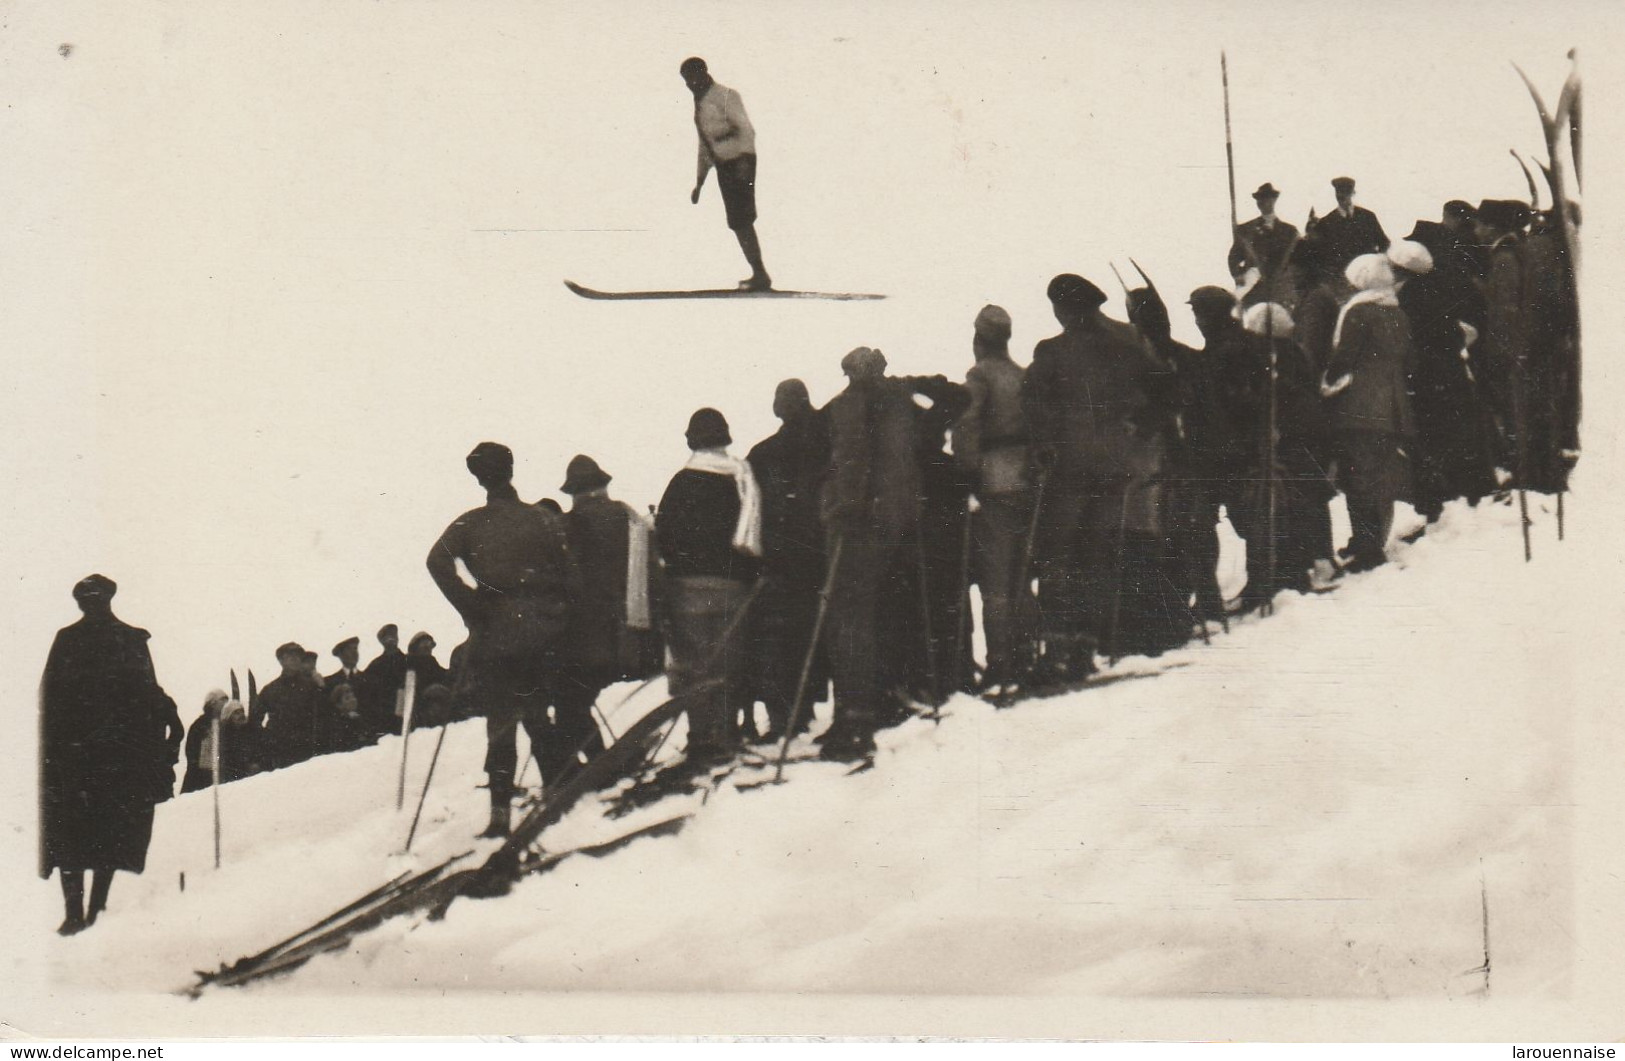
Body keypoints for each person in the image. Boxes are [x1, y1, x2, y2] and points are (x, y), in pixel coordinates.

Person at [427, 442, 578, 838]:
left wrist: (471, 606)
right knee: (538, 715)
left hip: (495, 633)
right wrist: (554, 610)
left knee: (501, 723)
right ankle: (558, 792)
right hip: (544, 632)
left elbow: (436, 561)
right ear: (512, 469)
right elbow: (571, 573)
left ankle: (500, 816)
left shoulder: (470, 524)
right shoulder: (544, 520)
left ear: (477, 477)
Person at [1021, 274, 1168, 679]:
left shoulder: (1050, 352)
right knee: (1097, 555)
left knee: (1058, 557)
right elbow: (1169, 389)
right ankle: (1086, 647)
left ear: (1063, 310)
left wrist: (1042, 445)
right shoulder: (1122, 350)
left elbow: (1031, 404)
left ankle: (1057, 650)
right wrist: (1140, 426)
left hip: (1067, 470)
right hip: (1114, 467)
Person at [39, 574, 184, 935]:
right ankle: (76, 912)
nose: (91, 605)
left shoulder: (130, 639)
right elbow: (50, 698)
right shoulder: (69, 640)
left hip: (114, 757)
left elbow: (148, 689)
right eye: (86, 600)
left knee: (106, 831)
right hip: (80, 756)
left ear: (106, 600)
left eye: (96, 598)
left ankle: (94, 910)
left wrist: (169, 712)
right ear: (81, 604)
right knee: (74, 832)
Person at [819, 347, 922, 760]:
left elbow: (851, 459)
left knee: (849, 619)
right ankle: (886, 699)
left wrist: (844, 506)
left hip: (860, 525)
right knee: (888, 612)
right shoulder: (901, 404)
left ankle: (855, 717)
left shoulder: (849, 405)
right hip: (901, 521)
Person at [656, 408, 763, 763]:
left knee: (694, 669)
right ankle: (727, 733)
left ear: (692, 441)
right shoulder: (742, 478)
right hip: (734, 588)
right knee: (728, 665)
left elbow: (663, 538)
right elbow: (753, 539)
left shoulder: (679, 483)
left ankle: (701, 738)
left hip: (687, 591)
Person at [1226, 301, 1335, 603]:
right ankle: (1316, 557)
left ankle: (1289, 567)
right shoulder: (1296, 352)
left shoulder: (1269, 356)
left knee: (1287, 500)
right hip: (1306, 434)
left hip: (1287, 436)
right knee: (1307, 497)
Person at [953, 305, 1036, 697]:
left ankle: (1002, 664)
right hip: (1026, 482)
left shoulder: (979, 375)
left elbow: (967, 427)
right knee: (1022, 576)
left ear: (979, 339)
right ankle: (1026, 655)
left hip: (994, 485)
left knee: (996, 582)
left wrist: (965, 475)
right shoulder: (1021, 375)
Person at [745, 381, 832, 739]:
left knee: (781, 641)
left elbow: (751, 512)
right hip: (823, 556)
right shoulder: (828, 442)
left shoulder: (764, 454)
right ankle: (806, 707)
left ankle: (788, 717)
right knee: (818, 633)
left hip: (782, 561)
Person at [1321, 253, 1418, 572]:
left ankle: (1367, 549)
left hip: (1360, 406)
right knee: (1378, 478)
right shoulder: (1398, 312)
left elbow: (1343, 357)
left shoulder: (1358, 311)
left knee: (1357, 478)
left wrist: (1326, 384)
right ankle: (1370, 541)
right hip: (1393, 406)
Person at [557, 454, 656, 764]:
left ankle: (594, 764)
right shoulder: (629, 517)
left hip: (586, 635)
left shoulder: (566, 525)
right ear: (603, 485)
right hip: (635, 630)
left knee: (569, 700)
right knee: (577, 699)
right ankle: (604, 760)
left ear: (573, 492)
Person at [681, 57, 771, 291]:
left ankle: (760, 275)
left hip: (740, 163)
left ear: (702, 74)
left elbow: (746, 131)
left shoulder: (726, 96)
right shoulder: (700, 104)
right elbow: (705, 145)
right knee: (737, 221)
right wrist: (699, 182)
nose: (689, 84)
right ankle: (759, 273)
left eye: (691, 78)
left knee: (742, 219)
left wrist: (743, 164)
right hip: (724, 166)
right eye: (686, 81)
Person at [1229, 182, 1302, 309]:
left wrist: (1289, 280)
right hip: (1255, 290)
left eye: (1266, 198)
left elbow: (1298, 260)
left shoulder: (1290, 231)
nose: (1262, 202)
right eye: (1259, 199)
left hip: (1281, 291)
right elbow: (1233, 257)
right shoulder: (1246, 230)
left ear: (1274, 200)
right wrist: (1239, 276)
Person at [254, 641, 326, 769]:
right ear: (281, 660)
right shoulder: (270, 690)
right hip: (281, 753)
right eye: (290, 656)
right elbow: (255, 721)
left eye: (298, 656)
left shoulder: (312, 686)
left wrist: (322, 688)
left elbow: (324, 713)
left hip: (308, 750)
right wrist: (269, 739)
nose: (295, 659)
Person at [1311, 177, 1390, 284]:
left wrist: (1377, 264)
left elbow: (1384, 243)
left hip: (1368, 276)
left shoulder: (1368, 217)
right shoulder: (1327, 222)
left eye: (1346, 192)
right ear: (1336, 195)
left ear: (1352, 193)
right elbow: (1322, 255)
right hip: (1341, 279)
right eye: (1339, 193)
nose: (1343, 197)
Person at [182, 691, 260, 793]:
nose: (227, 703)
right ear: (212, 703)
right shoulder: (203, 725)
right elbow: (199, 755)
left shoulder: (226, 726)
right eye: (223, 699)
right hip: (202, 778)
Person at [361, 624, 408, 740]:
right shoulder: (376, 665)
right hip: (385, 714)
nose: (391, 639)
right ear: (382, 641)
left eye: (393, 635)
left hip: (408, 710)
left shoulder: (409, 660)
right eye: (387, 637)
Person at [324, 636, 371, 750]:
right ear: (340, 655)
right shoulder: (330, 682)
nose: (354, 653)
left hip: (367, 737)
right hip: (342, 738)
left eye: (355, 649)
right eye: (349, 650)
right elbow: (328, 711)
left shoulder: (369, 679)